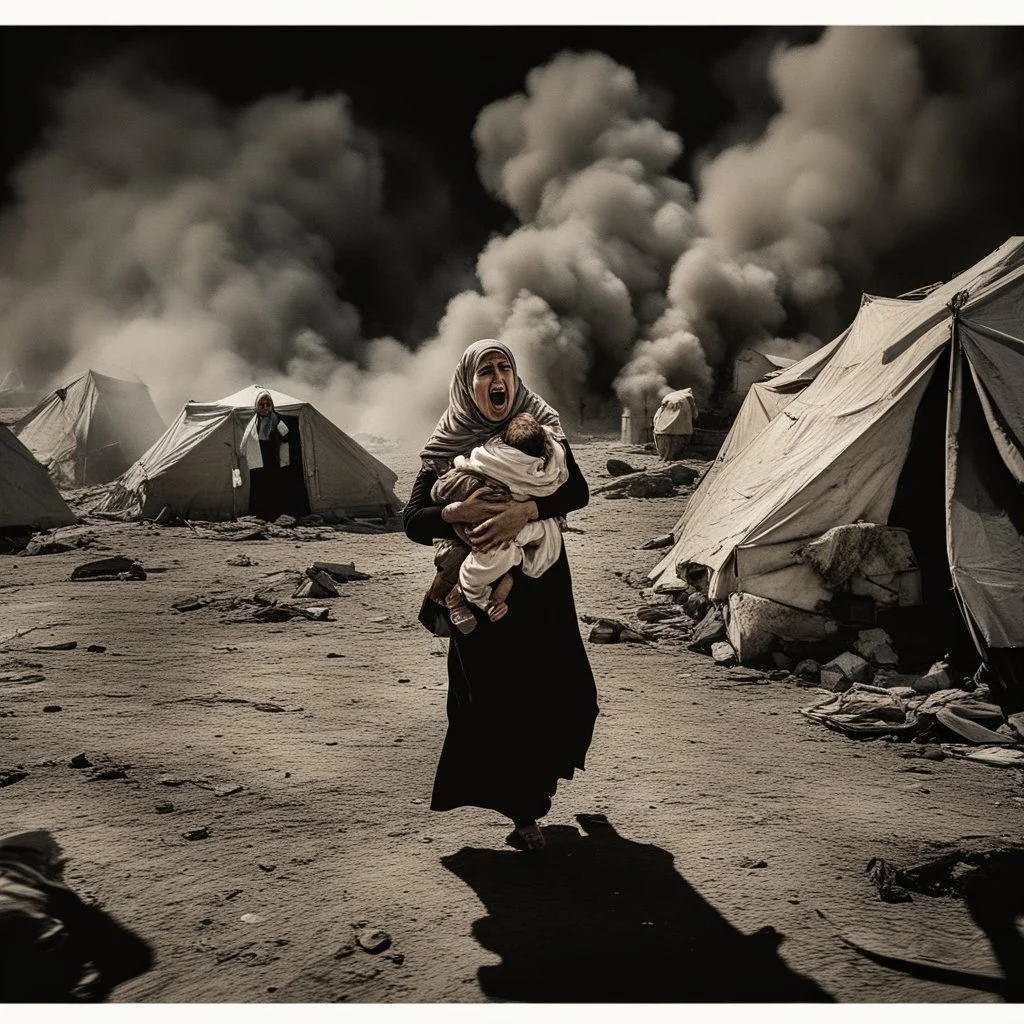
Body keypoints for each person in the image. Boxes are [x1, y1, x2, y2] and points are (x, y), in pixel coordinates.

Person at [404, 340, 599, 853]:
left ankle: (540, 789)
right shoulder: (449, 444)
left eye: (505, 367)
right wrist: (454, 513)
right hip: (483, 605)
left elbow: (576, 491)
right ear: (468, 384)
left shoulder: (542, 427)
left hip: (544, 587)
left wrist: (525, 513)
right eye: (486, 370)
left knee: (568, 694)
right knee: (499, 708)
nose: (498, 377)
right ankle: (525, 813)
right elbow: (412, 521)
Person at [427, 411, 569, 632]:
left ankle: (485, 593)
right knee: (483, 562)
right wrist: (458, 511)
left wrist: (528, 510)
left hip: (517, 542)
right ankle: (462, 598)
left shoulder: (542, 468)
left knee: (542, 535)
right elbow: (435, 496)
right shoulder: (478, 467)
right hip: (477, 535)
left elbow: (570, 494)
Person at [240, 390, 290, 521]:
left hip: (272, 459)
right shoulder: (253, 421)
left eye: (268, 405)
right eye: (261, 405)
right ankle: (258, 513)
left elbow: (287, 436)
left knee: (272, 485)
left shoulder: (275, 420)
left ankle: (272, 514)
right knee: (258, 485)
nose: (265, 408)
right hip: (256, 459)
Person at [652, 388, 698, 461]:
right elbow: (694, 413)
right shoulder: (687, 398)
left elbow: (659, 412)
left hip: (663, 427)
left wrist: (656, 425)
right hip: (680, 428)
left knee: (665, 440)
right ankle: (672, 456)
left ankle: (664, 456)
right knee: (676, 441)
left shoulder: (671, 397)